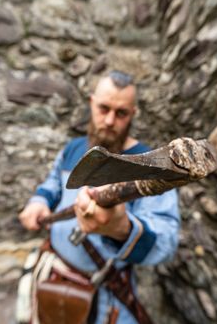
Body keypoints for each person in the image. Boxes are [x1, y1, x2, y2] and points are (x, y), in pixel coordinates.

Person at [18, 70, 180, 324]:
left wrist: (122, 230)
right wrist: (39, 201)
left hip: (106, 294)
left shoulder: (149, 166)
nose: (109, 121)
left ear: (133, 114)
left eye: (121, 113)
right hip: (53, 273)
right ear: (91, 102)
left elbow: (166, 240)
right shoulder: (72, 149)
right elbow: (52, 184)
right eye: (103, 108)